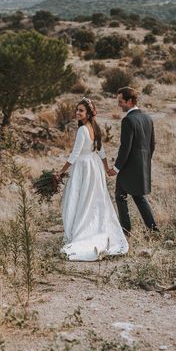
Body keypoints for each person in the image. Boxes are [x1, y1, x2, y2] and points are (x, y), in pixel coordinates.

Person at [56, 98, 128, 261]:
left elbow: (75, 155)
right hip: (93, 167)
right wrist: (106, 169)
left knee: (77, 199)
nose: (77, 113)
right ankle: (93, 227)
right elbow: (101, 152)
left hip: (83, 167)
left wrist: (60, 172)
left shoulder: (82, 131)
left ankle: (80, 232)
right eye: (76, 110)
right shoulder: (95, 127)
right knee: (93, 199)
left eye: (81, 110)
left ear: (88, 113)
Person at [107, 87, 158, 235]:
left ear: (130, 101)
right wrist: (144, 162)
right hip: (142, 166)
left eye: (121, 101)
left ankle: (125, 230)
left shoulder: (128, 120)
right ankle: (153, 229)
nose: (119, 105)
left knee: (120, 196)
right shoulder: (148, 118)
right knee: (138, 196)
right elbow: (152, 145)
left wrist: (116, 168)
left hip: (128, 167)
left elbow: (125, 148)